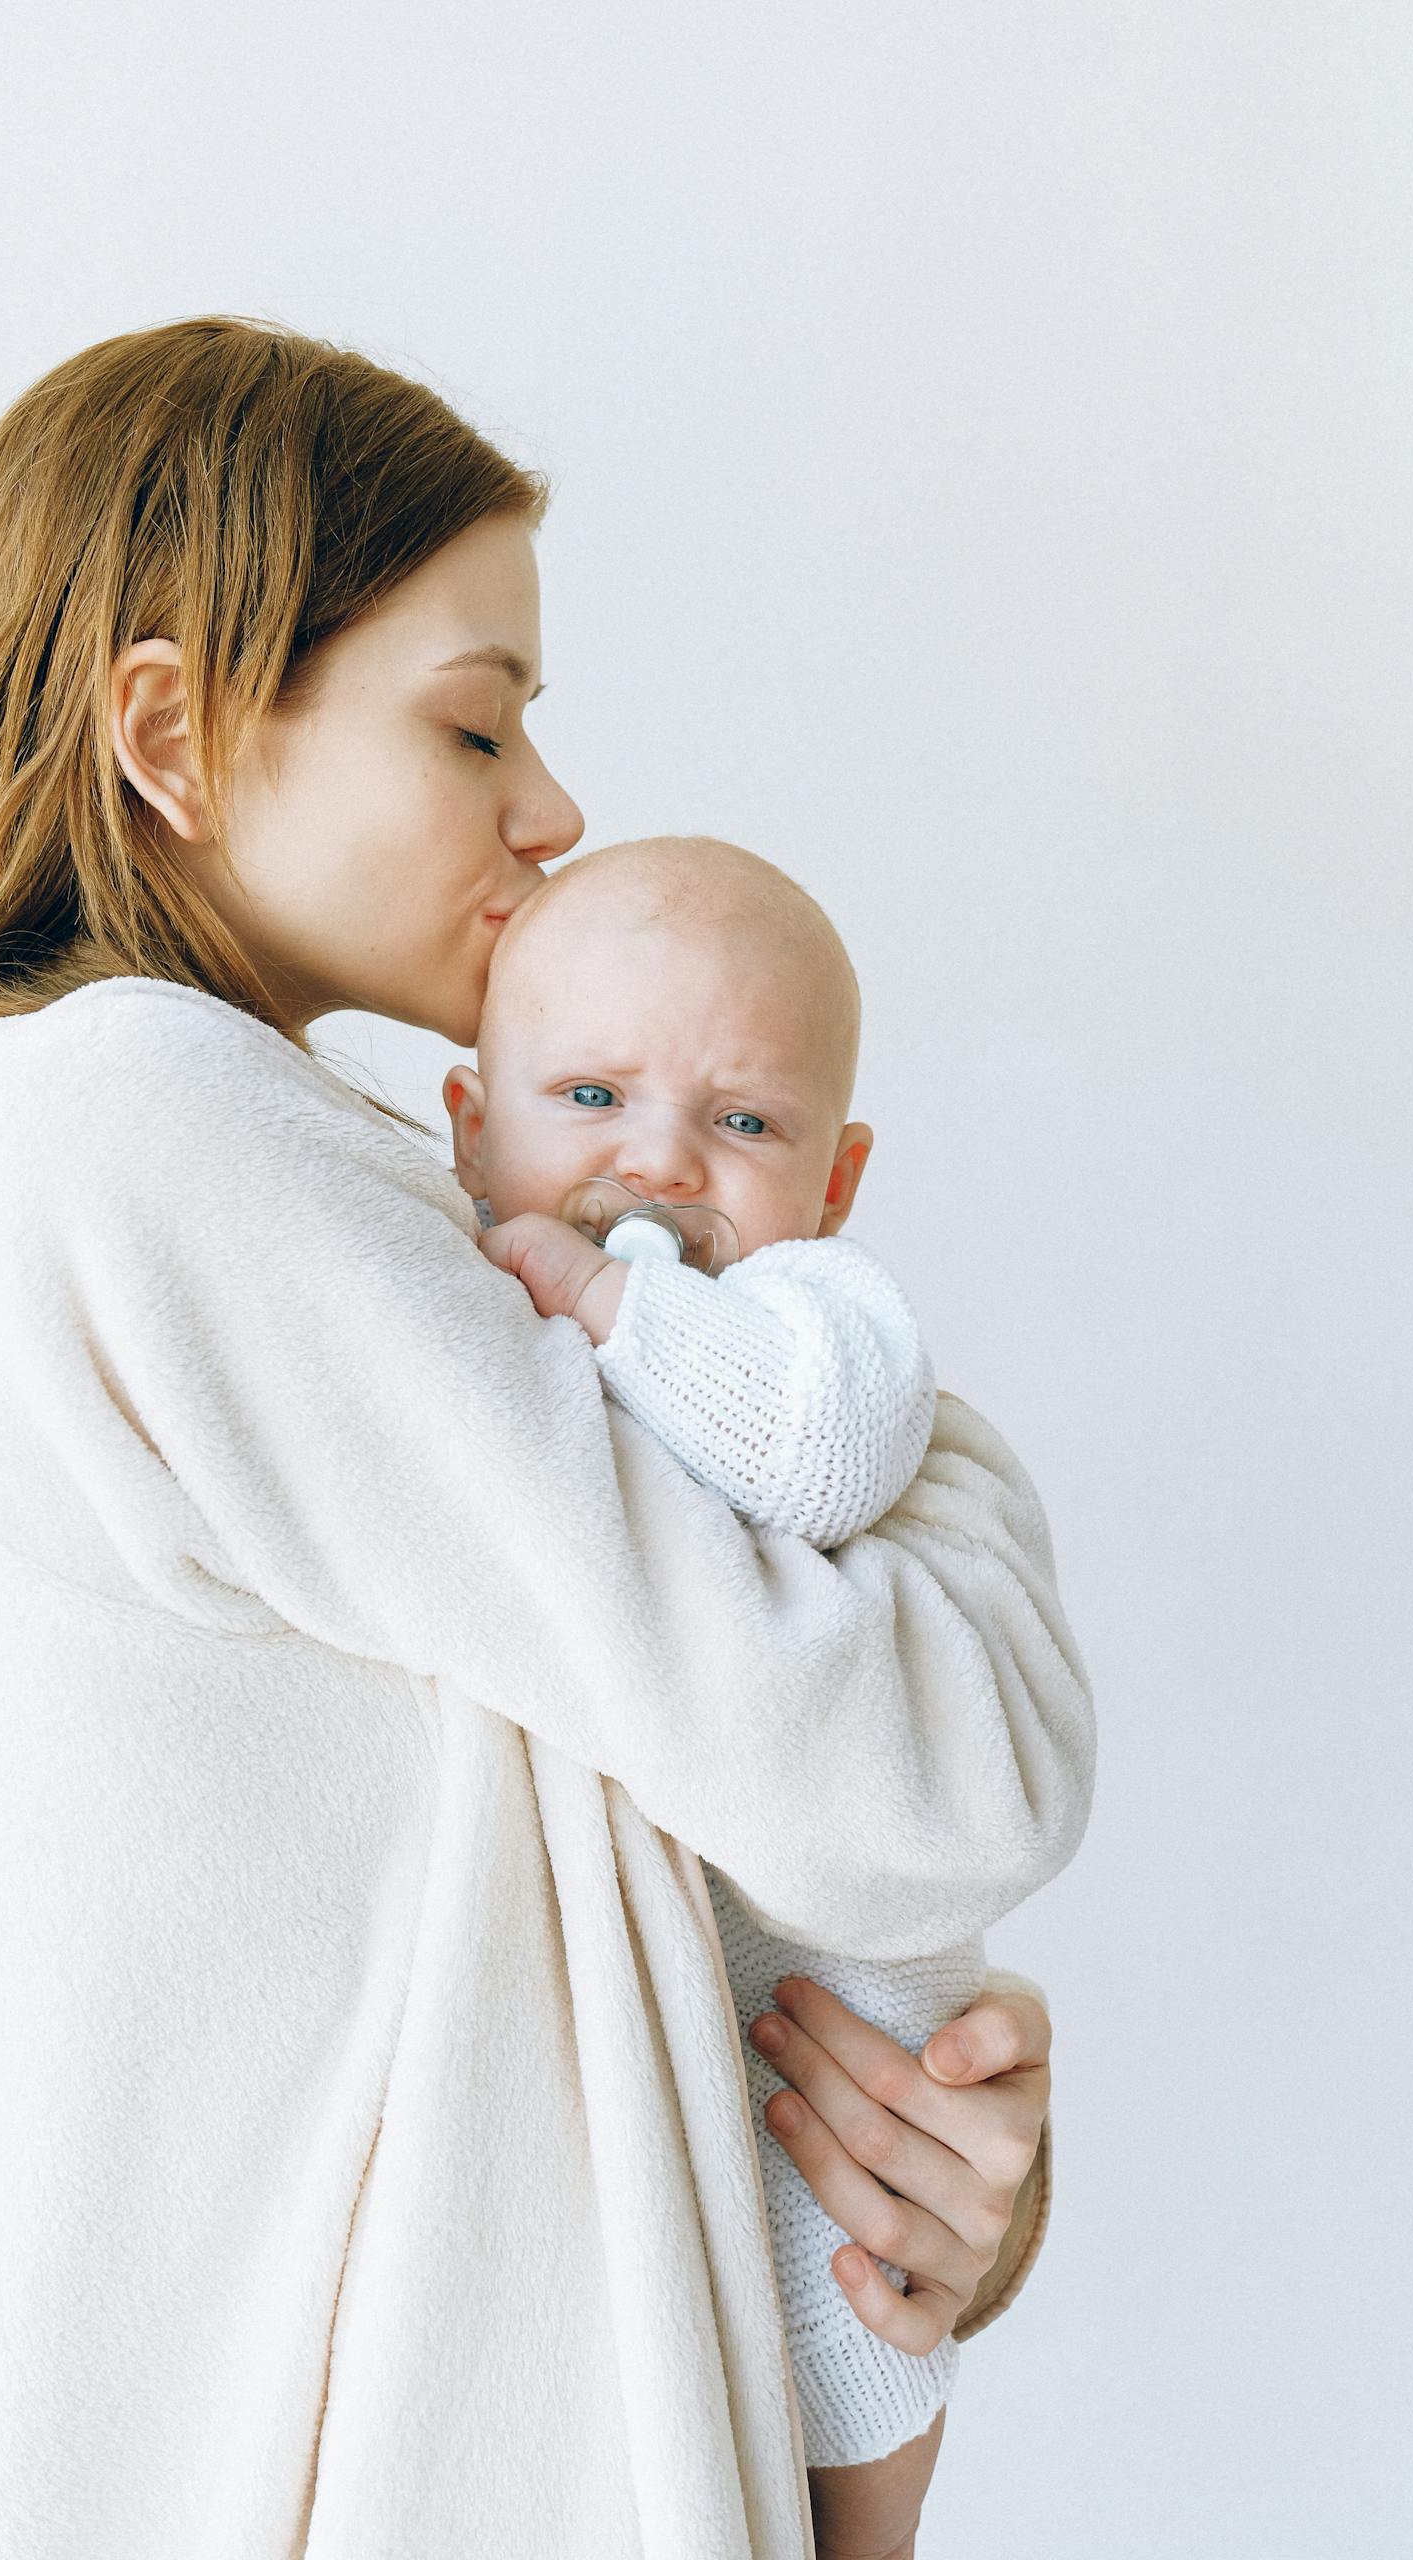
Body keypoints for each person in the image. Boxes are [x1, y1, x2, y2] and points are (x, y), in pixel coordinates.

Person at [0, 317, 1094, 2560]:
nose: (548, 808)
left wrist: (897, 2163)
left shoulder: (112, 1167)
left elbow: (655, 1807)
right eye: (472, 719)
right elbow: (935, 1781)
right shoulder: (132, 1128)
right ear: (164, 727)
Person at [443, 831, 1075, 2486]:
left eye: (743, 1125)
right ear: (466, 1123)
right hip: (630, 2120)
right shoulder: (427, 1304)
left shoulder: (820, 1324)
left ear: (835, 1186)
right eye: (589, 1098)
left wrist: (612, 1303)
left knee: (858, 2351)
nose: (659, 1167)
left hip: (832, 2022)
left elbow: (814, 1458)